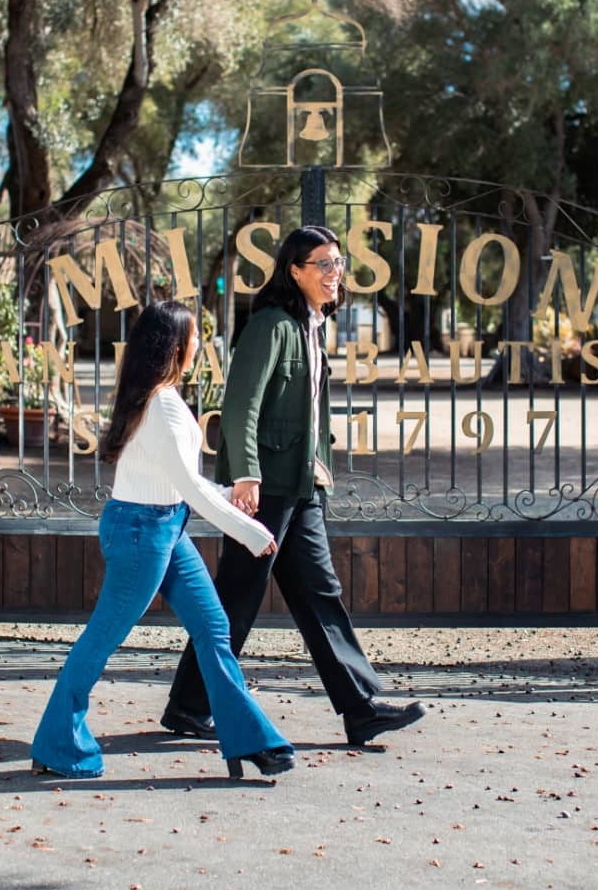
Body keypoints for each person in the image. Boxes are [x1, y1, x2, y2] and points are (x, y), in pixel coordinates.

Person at [162, 225, 425, 746]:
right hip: (266, 487)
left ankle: (360, 707)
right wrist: (247, 475)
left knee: (319, 593)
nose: (335, 274)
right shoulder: (271, 326)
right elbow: (242, 403)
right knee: (238, 595)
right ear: (295, 270)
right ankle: (190, 705)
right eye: (323, 264)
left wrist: (317, 465)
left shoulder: (311, 326)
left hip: (301, 485)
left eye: (338, 263)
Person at [30, 301, 294, 780]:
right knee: (103, 637)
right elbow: (190, 487)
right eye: (195, 336)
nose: (200, 342)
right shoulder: (163, 406)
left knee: (214, 630)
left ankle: (252, 740)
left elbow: (181, 486)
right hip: (141, 533)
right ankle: (57, 743)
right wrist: (251, 531)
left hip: (162, 526)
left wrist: (230, 501)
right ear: (176, 346)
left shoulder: (154, 396)